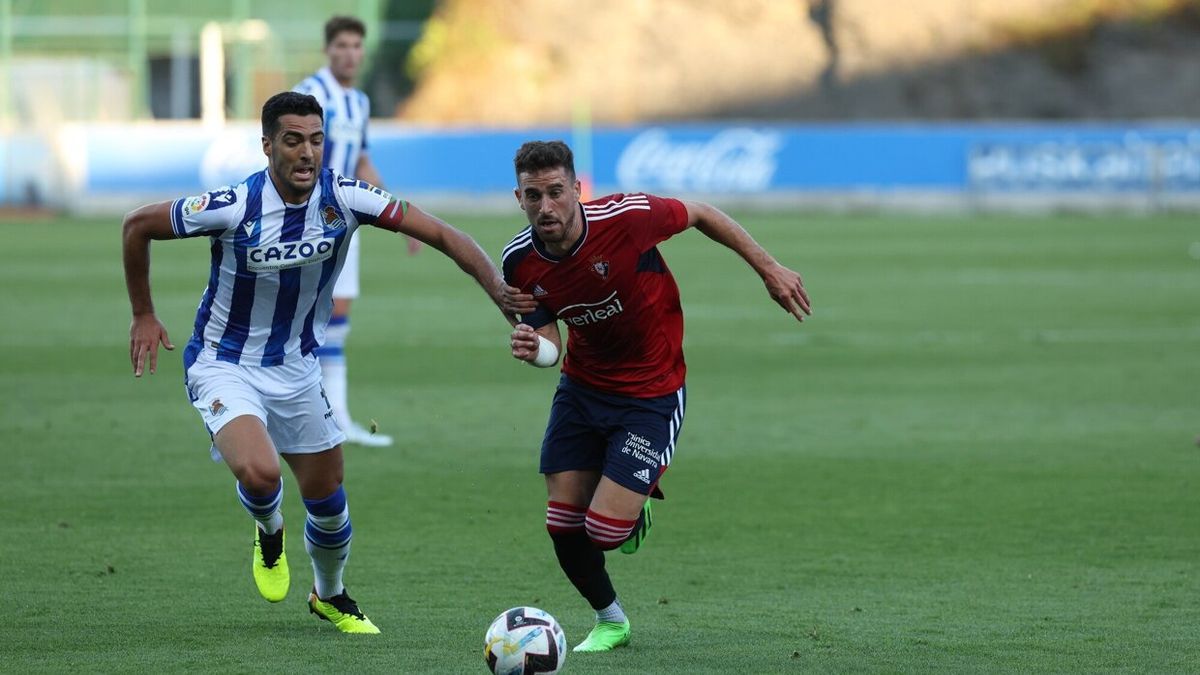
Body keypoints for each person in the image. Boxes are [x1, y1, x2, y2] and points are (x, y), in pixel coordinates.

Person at [124, 91, 519, 634]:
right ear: (267, 146)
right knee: (263, 475)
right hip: (224, 362)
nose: (307, 153)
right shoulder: (234, 206)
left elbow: (443, 233)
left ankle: (329, 594)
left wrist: (498, 291)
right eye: (292, 141)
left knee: (329, 501)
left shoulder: (347, 198)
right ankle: (269, 531)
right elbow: (136, 225)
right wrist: (144, 313)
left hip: (297, 367)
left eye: (315, 140)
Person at [501, 140, 811, 652]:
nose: (546, 207)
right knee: (562, 524)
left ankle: (631, 503)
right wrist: (535, 347)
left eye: (556, 192)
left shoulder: (628, 217)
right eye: (533, 196)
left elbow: (703, 213)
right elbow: (550, 341)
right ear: (519, 197)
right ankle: (611, 620)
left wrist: (768, 268)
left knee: (603, 531)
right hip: (581, 389)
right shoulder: (519, 262)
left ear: (576, 190)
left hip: (651, 393)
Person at [293, 15, 419, 447]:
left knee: (338, 316)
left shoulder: (359, 102)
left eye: (356, 46)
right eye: (342, 45)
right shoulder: (311, 93)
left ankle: (337, 419)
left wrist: (399, 217)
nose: (350, 53)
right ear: (328, 49)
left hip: (346, 221)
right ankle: (296, 414)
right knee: (303, 316)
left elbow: (362, 161)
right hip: (309, 220)